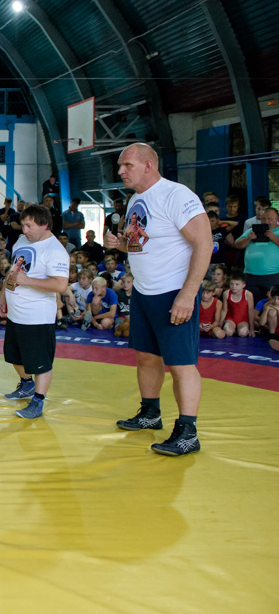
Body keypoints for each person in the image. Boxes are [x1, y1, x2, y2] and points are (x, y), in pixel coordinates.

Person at [105, 143, 212, 456]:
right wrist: (120, 245)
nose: (121, 171)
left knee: (181, 365)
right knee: (146, 357)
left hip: (173, 292)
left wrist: (189, 292)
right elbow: (141, 246)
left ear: (148, 165)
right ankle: (151, 413)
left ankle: (188, 432)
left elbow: (204, 243)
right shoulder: (137, 199)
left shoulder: (176, 196)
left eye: (126, 165)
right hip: (144, 291)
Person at [0, 203, 69, 418]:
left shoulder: (55, 251)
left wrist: (26, 281)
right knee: (14, 356)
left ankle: (38, 401)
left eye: (29, 226)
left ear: (44, 225)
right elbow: (13, 270)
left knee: (40, 362)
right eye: (23, 225)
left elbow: (60, 285)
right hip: (16, 312)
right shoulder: (22, 240)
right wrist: (2, 295)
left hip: (37, 316)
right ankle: (26, 384)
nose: (24, 230)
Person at [230, 207, 279, 304]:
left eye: (270, 219)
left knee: (272, 301)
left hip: (272, 274)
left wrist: (274, 238)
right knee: (251, 302)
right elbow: (237, 244)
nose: (266, 221)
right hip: (250, 274)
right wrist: (248, 238)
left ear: (277, 219)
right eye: (264, 219)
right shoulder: (252, 230)